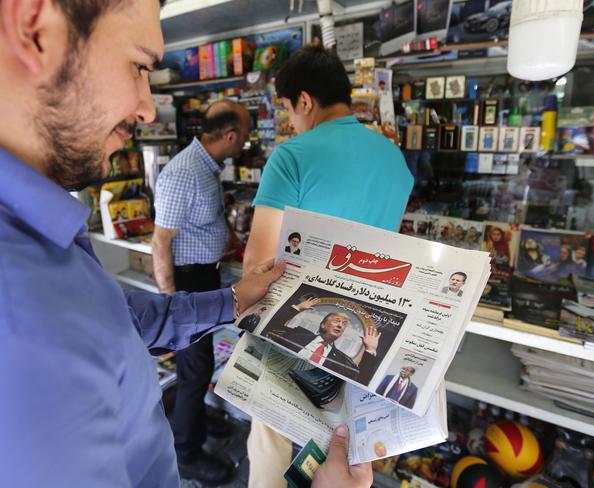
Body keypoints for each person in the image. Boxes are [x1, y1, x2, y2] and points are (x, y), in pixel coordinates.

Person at [0, 2, 366, 487]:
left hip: (206, 285)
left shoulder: (45, 236)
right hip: (190, 275)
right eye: (139, 65)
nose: (148, 108)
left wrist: (233, 300)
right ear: (33, 28)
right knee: (193, 378)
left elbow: (119, 319)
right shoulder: (21, 319)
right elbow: (161, 244)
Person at [242, 44, 414, 488]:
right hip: (365, 328)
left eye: (288, 109)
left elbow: (258, 260)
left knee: (271, 444)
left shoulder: (293, 155)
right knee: (345, 446)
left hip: (296, 326)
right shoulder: (394, 159)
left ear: (304, 100)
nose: (293, 122)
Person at [151, 100, 250, 483]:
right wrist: (172, 305)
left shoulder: (208, 168)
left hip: (204, 277)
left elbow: (207, 220)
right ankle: (185, 452)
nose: (245, 143)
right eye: (243, 136)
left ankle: (198, 422)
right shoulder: (183, 174)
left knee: (201, 363)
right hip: (187, 284)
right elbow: (161, 242)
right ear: (229, 136)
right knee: (193, 370)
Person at [263, 298, 380, 381]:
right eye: (337, 321)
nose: (341, 326)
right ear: (323, 325)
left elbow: (360, 378)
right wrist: (297, 308)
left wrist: (370, 350)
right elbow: (271, 327)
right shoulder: (298, 333)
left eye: (344, 324)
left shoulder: (342, 360)